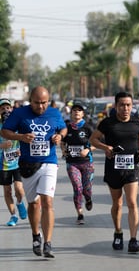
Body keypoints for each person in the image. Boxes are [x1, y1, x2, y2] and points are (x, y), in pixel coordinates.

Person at [1, 86, 67, 258]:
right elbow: (5, 131)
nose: (41, 106)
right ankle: (36, 235)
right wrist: (21, 137)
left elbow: (63, 128)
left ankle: (48, 243)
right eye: (37, 103)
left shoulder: (54, 113)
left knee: (47, 202)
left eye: (44, 103)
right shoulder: (19, 113)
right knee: (34, 204)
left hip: (48, 162)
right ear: (31, 100)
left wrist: (60, 136)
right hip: (28, 165)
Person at [90, 91, 139, 254]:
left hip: (131, 168)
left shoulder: (137, 121)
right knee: (118, 203)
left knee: (132, 202)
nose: (125, 108)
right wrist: (105, 147)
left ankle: (133, 240)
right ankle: (118, 232)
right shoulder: (107, 123)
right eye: (122, 105)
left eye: (128, 105)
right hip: (113, 168)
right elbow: (93, 139)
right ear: (116, 106)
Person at [61, 103, 95, 225]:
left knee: (87, 189)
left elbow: (96, 143)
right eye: (74, 110)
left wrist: (88, 149)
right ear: (71, 113)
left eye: (79, 111)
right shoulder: (67, 128)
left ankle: (88, 198)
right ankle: (80, 214)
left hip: (87, 163)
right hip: (72, 163)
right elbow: (62, 142)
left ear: (83, 114)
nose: (76, 112)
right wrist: (63, 150)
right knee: (77, 187)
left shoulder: (88, 127)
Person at [0, 98, 27, 226]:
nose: (5, 110)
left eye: (7, 107)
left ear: (12, 109)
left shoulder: (18, 123)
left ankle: (20, 202)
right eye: (2, 108)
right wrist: (2, 146)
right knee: (7, 191)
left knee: (19, 189)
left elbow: (26, 138)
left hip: (17, 162)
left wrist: (22, 150)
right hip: (3, 163)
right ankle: (13, 216)